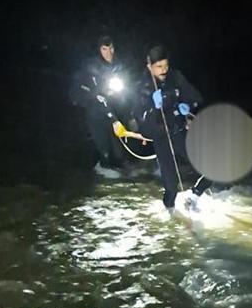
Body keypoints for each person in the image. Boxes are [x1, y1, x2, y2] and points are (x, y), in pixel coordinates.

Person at [133, 45, 212, 213]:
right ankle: (170, 216)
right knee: (171, 187)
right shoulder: (142, 87)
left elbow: (196, 97)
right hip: (161, 137)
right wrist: (153, 108)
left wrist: (187, 105)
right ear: (149, 67)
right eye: (159, 66)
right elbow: (142, 124)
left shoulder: (175, 77)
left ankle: (194, 196)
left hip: (179, 131)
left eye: (166, 65)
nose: (163, 70)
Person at [69, 35, 133, 178]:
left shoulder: (119, 65)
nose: (108, 52)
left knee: (118, 147)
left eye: (111, 48)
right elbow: (94, 92)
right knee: (103, 146)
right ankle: (101, 168)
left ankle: (120, 166)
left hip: (114, 108)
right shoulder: (92, 66)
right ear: (99, 50)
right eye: (104, 49)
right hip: (95, 111)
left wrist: (129, 116)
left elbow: (126, 90)